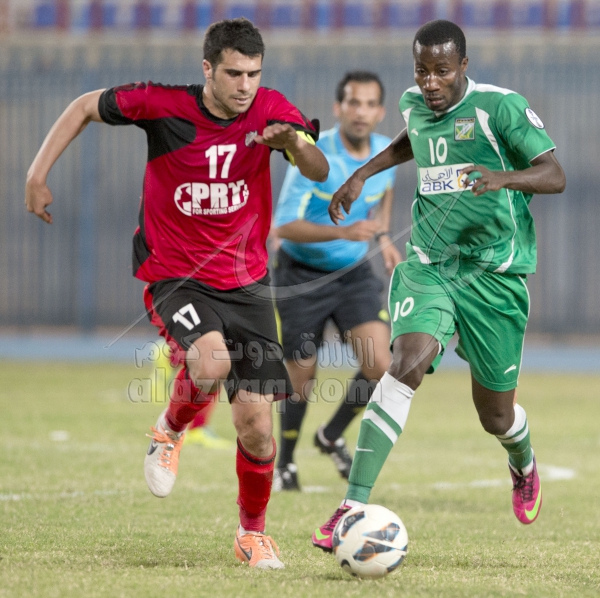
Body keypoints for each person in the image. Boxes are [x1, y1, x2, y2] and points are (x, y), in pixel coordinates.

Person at [24, 17, 329, 570]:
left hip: (247, 282)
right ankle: (168, 429)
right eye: (233, 73)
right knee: (210, 362)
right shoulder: (162, 104)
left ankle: (251, 534)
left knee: (258, 428)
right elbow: (84, 106)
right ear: (208, 68)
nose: (245, 86)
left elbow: (317, 167)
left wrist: (292, 143)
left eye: (254, 74)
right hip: (176, 274)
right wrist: (36, 174)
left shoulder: (272, 109)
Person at [311, 19, 566, 551]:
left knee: (495, 415)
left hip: (494, 276)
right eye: (421, 70)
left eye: (442, 71)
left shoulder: (500, 109)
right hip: (430, 264)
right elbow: (414, 140)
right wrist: (362, 174)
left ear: (463, 67)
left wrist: (501, 178)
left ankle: (522, 459)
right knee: (404, 364)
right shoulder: (414, 104)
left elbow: (554, 174)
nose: (430, 82)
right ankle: (351, 505)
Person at [271, 71, 402, 490]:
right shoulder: (314, 155)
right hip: (301, 274)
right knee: (301, 375)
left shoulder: (384, 152)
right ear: (338, 108)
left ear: (380, 111)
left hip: (352, 274)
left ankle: (330, 435)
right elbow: (283, 226)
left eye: (370, 104)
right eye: (353, 102)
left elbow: (383, 196)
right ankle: (285, 464)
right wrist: (344, 232)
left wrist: (383, 236)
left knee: (381, 365)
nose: (361, 111)